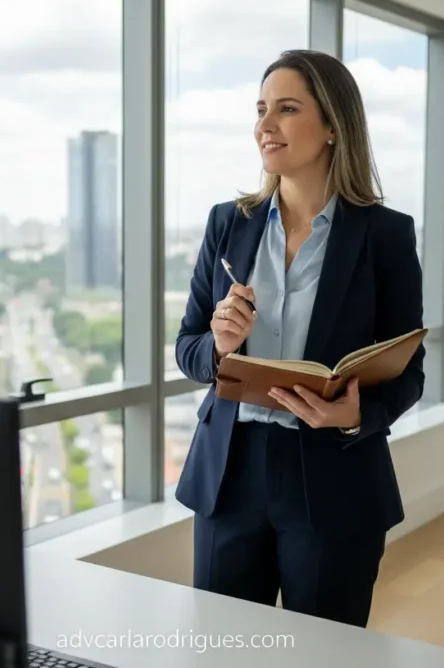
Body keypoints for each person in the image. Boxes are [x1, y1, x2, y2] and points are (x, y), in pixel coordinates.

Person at [173, 49, 424, 628]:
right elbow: (188, 348)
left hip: (335, 473)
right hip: (229, 473)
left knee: (325, 652)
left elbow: (408, 371)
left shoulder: (384, 235)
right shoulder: (227, 223)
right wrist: (218, 344)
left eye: (286, 109)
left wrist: (355, 417)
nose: (265, 125)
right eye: (261, 109)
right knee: (225, 648)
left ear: (333, 124)